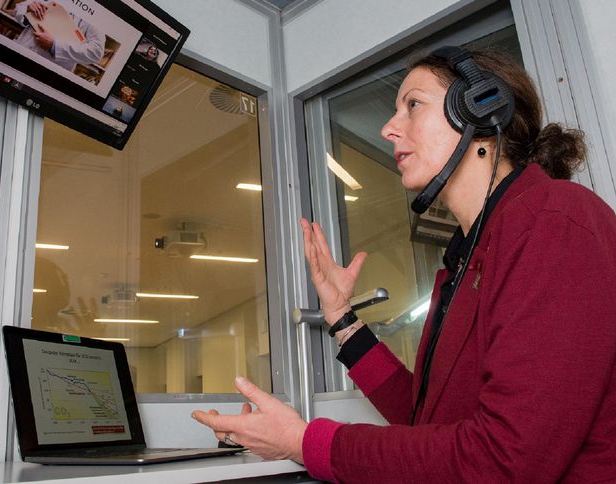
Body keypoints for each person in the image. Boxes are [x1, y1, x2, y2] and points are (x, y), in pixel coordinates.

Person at [192, 47, 616, 482]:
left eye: (412, 105)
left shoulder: (555, 221)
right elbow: (423, 413)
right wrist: (341, 317)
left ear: (481, 108)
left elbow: (504, 460)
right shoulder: (464, 260)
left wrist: (305, 442)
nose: (389, 128)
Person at [14, 0, 105, 73]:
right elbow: (19, 8)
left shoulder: (96, 10)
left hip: (47, 71)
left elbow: (96, 52)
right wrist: (27, 9)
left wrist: (54, 46)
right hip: (20, 52)